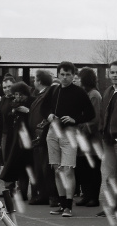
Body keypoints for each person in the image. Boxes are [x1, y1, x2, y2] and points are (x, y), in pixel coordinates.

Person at [42, 61, 95, 217]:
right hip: (53, 132)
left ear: (73, 75)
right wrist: (49, 115)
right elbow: (43, 108)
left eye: (68, 75)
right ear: (58, 75)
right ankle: (62, 203)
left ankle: (68, 206)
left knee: (68, 169)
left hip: (69, 133)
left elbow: (91, 113)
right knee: (57, 169)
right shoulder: (53, 90)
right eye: (62, 74)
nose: (65, 78)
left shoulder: (79, 92)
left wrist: (75, 119)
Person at [96, 61, 117, 219]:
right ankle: (112, 206)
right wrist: (102, 130)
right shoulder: (107, 91)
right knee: (110, 175)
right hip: (108, 139)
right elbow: (102, 114)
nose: (114, 75)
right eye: (112, 72)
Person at [0, 81, 35, 201]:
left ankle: (28, 192)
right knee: (18, 166)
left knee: (27, 166)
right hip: (16, 138)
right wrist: (13, 112)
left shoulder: (32, 101)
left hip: (29, 138)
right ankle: (20, 191)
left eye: (21, 95)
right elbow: (5, 119)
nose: (18, 97)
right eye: (16, 95)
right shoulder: (11, 103)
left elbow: (36, 117)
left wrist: (27, 111)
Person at [28, 70, 59, 206]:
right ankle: (43, 194)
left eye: (35, 79)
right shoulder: (40, 95)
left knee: (45, 167)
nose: (34, 81)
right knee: (40, 167)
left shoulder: (47, 94)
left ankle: (48, 195)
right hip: (38, 136)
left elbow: (44, 115)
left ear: (39, 81)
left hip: (43, 136)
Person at [75, 67, 102, 207]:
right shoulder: (84, 94)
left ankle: (93, 197)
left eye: (79, 77)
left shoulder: (94, 95)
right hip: (82, 141)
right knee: (83, 169)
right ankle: (86, 195)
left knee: (92, 170)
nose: (77, 80)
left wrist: (80, 133)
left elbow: (94, 120)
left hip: (92, 142)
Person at [0, 75, 16, 194]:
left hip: (16, 135)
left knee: (14, 161)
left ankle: (16, 188)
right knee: (6, 161)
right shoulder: (2, 101)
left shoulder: (18, 99)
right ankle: (9, 188)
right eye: (5, 87)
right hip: (4, 135)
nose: (7, 89)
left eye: (9, 87)